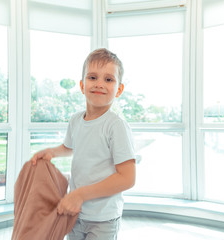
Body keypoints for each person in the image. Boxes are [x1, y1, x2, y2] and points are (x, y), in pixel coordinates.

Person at [30, 48, 136, 240]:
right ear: (82, 85)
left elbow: (127, 178)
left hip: (103, 218)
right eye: (93, 77)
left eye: (109, 79)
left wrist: (80, 194)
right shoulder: (76, 120)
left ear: (119, 90)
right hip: (76, 213)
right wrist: (50, 152)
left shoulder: (116, 126)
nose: (99, 84)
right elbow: (69, 148)